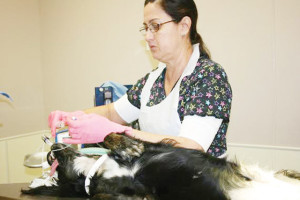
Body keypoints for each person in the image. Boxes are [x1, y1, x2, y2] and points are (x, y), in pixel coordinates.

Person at [48, 0, 232, 158]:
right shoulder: (151, 82)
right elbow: (113, 113)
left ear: (184, 26)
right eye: (146, 28)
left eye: (156, 26)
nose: (148, 36)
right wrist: (72, 117)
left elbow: (191, 147)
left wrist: (122, 132)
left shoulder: (208, 76)